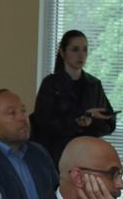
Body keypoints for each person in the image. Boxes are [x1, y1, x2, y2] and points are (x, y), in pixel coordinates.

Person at [30, 29, 116, 162]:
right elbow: (43, 122)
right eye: (75, 50)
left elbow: (109, 124)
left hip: (86, 155)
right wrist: (77, 120)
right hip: (55, 155)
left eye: (85, 50)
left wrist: (92, 121)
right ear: (62, 52)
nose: (81, 55)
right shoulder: (51, 84)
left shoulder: (94, 85)